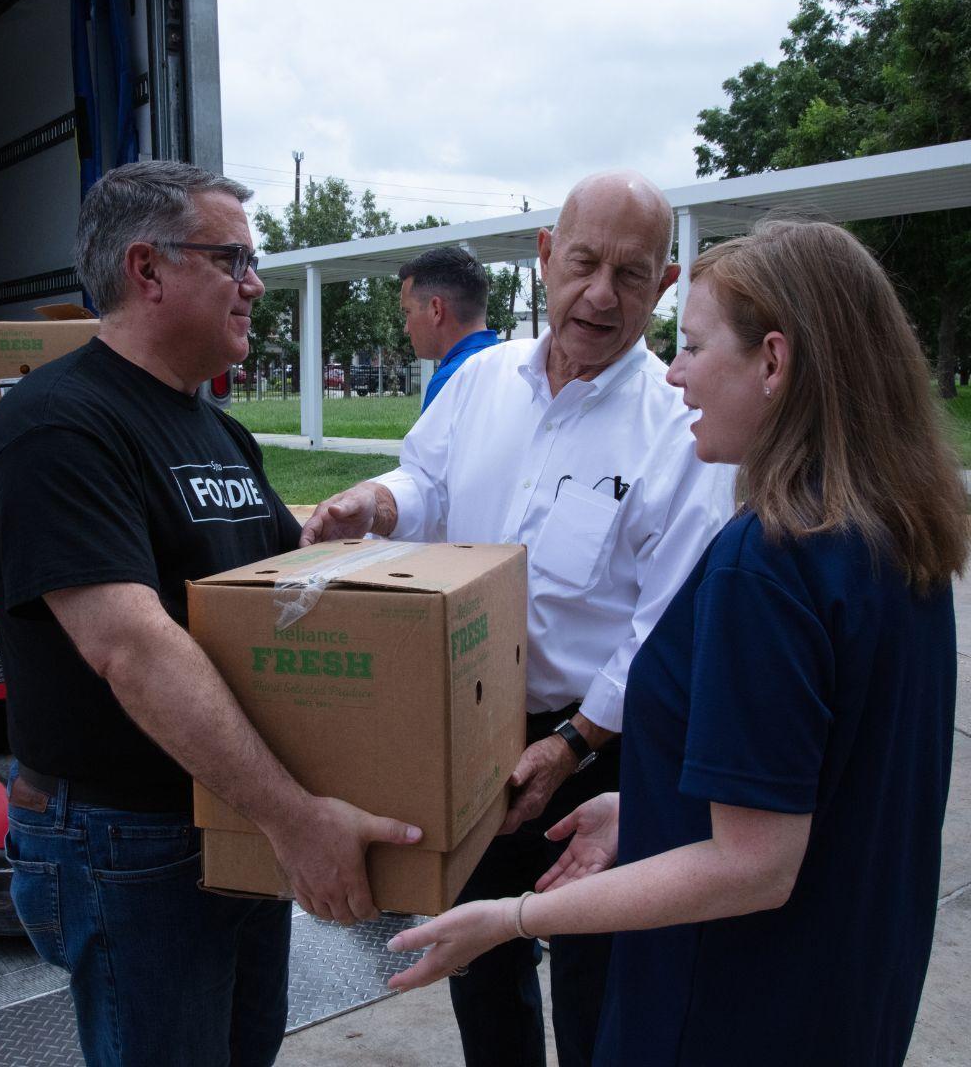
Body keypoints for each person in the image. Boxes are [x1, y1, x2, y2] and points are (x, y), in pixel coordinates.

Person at [385, 219, 967, 1067]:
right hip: (846, 990)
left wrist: (512, 919)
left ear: (774, 362)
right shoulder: (891, 530)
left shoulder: (768, 562)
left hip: (734, 1005)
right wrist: (648, 811)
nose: (677, 373)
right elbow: (830, 779)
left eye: (692, 346)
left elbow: (753, 866)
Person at [0, 160, 421, 1067]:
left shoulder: (215, 429)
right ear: (149, 269)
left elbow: (270, 593)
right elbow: (133, 646)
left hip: (227, 812)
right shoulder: (61, 427)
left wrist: (344, 532)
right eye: (235, 260)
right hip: (128, 840)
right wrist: (294, 817)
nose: (256, 286)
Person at [300, 171, 733, 1066]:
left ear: (665, 284)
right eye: (582, 263)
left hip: (598, 758)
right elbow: (427, 482)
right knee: (476, 959)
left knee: (596, 980)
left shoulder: (676, 424)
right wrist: (372, 504)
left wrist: (574, 742)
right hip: (469, 730)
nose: (601, 295)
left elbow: (664, 621)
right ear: (543, 259)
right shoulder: (484, 380)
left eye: (632, 273)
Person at [398, 245, 499, 411]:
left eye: (408, 312)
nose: (406, 328)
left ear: (436, 309)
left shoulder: (451, 381)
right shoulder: (516, 368)